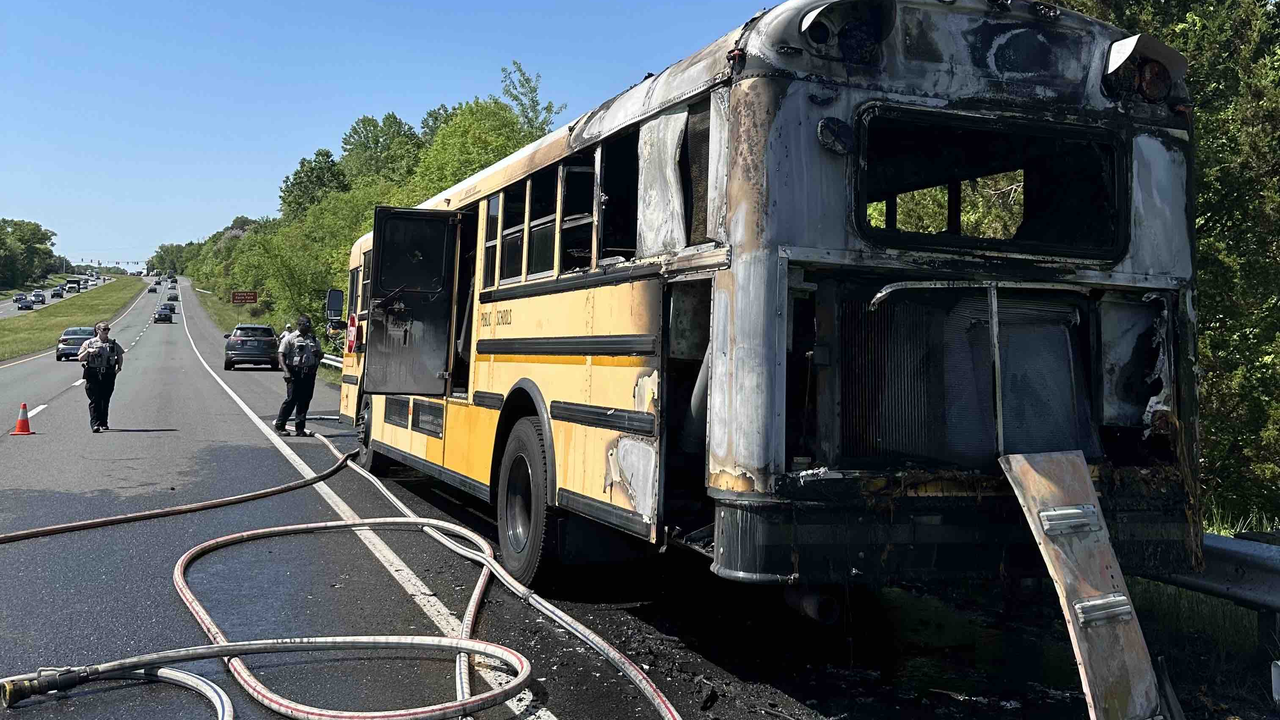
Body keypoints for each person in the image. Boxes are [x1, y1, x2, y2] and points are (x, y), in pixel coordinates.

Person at [275, 314, 321, 436]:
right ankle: (280, 426)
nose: (308, 327)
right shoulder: (289, 338)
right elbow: (281, 355)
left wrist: (317, 358)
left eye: (309, 324)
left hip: (309, 375)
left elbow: (319, 356)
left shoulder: (314, 340)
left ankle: (300, 429)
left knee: (305, 401)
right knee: (291, 400)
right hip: (294, 373)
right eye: (306, 324)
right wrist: (286, 371)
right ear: (299, 324)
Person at [77, 321, 124, 432]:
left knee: (105, 399)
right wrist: (88, 351)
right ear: (98, 330)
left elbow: (120, 355)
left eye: (108, 329)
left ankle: (104, 422)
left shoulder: (112, 343)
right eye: (104, 329)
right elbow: (80, 358)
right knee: (95, 399)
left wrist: (119, 368)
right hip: (93, 374)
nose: (107, 331)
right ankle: (95, 424)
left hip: (108, 374)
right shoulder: (89, 343)